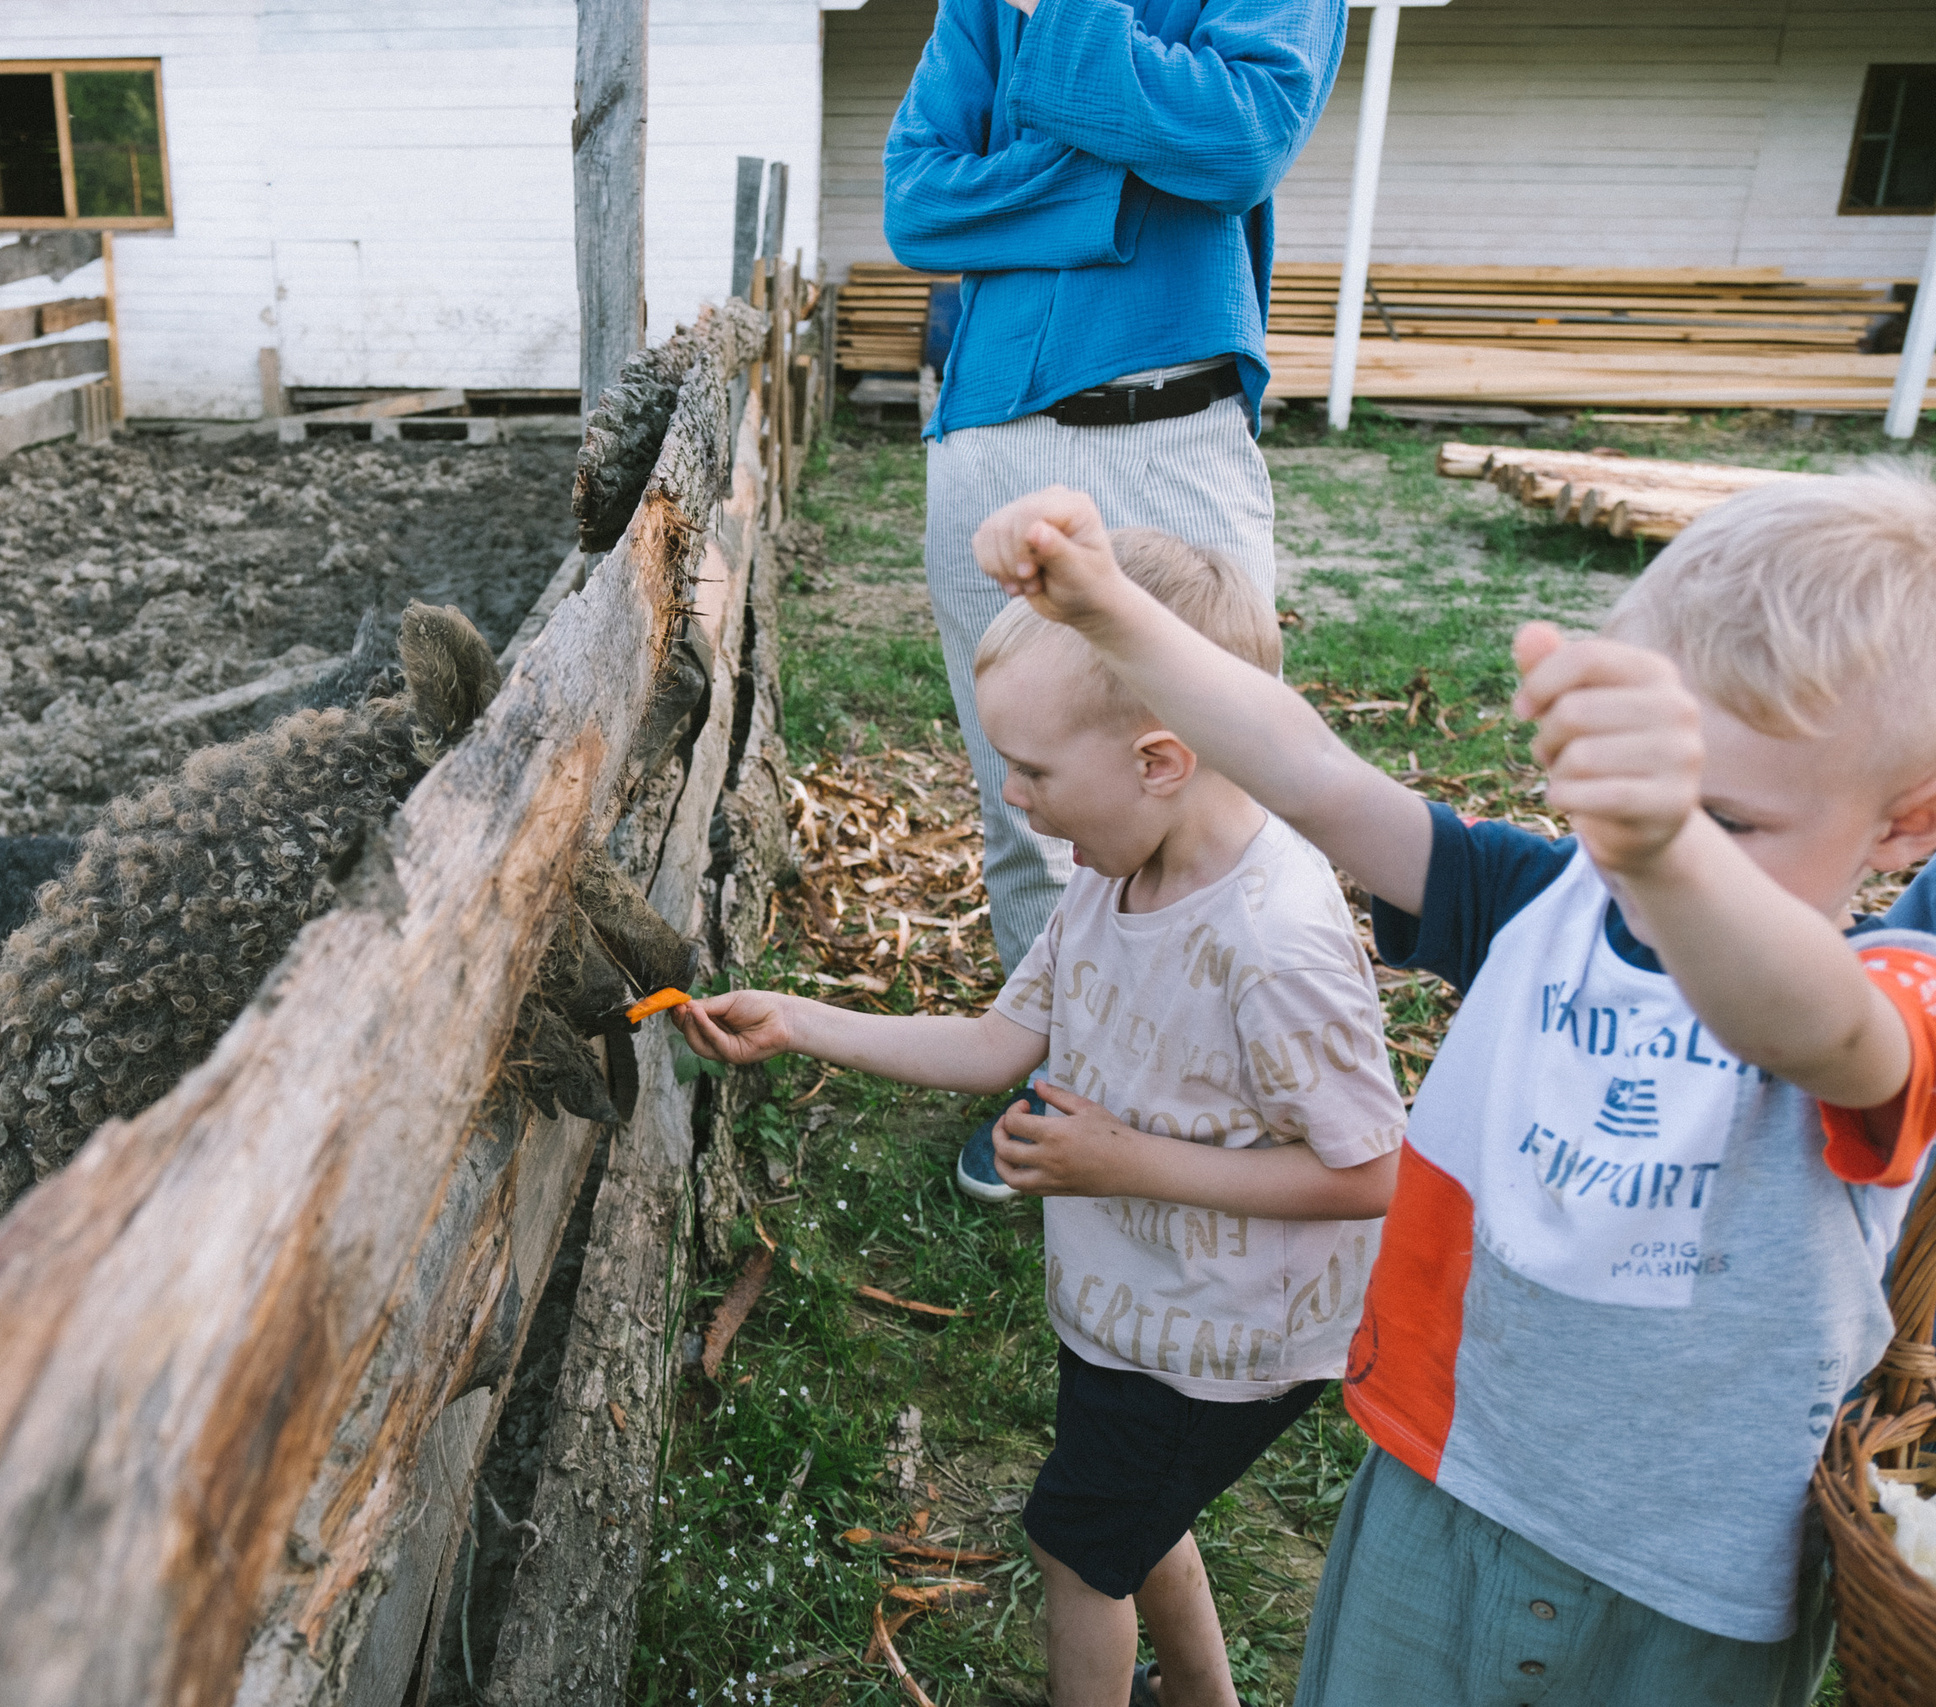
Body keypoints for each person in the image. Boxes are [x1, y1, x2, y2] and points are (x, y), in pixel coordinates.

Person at [971, 471, 1936, 1705]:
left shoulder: (1883, 1000)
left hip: (1693, 1574)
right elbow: (1311, 772)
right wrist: (1106, 609)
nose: (1636, 843)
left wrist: (1660, 847)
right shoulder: (1549, 905)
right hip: (1443, 1474)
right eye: (1623, 795)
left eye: (1724, 821)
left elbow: (1812, 1030)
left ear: (1904, 829)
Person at [673, 530, 1405, 1707]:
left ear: (1160, 759)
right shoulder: (1115, 880)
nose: (1009, 795)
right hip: (1132, 1312)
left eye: (1034, 771)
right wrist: (802, 1022)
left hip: (1224, 1347)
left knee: (1077, 1548)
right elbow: (997, 1045)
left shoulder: (1273, 946)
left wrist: (1123, 1160)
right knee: (1125, 1518)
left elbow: (1370, 1173)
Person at [883, 0, 1348, 1199]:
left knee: (1225, 768)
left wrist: (1061, 88)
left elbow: (1239, 145)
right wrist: (1121, 190)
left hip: (1174, 428)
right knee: (1028, 786)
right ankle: (1061, 1080)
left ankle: (1218, 1084)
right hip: (989, 435)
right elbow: (918, 202)